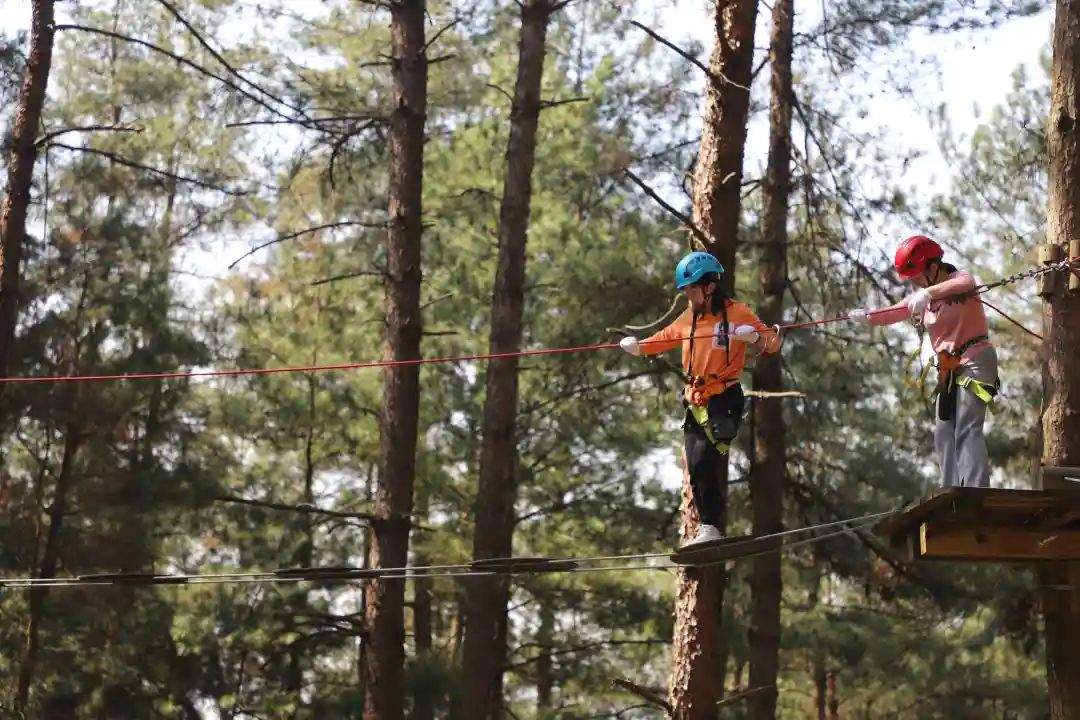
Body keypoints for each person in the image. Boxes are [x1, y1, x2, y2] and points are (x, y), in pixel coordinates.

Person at [620, 251, 782, 547]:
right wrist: (639, 347)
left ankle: (711, 527)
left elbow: (773, 343)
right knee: (695, 465)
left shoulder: (738, 313)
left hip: (725, 397)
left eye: (692, 289)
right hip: (696, 400)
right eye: (685, 290)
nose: (688, 295)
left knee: (707, 459)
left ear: (710, 286)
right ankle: (709, 527)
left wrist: (755, 338)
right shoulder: (689, 317)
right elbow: (665, 337)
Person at [848, 235, 999, 488]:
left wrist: (928, 293)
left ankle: (975, 491)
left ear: (933, 267)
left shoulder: (960, 281)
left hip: (976, 360)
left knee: (967, 426)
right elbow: (894, 312)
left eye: (916, 276)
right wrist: (867, 317)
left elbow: (966, 282)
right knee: (943, 433)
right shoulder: (923, 298)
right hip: (948, 370)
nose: (914, 283)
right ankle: (952, 491)